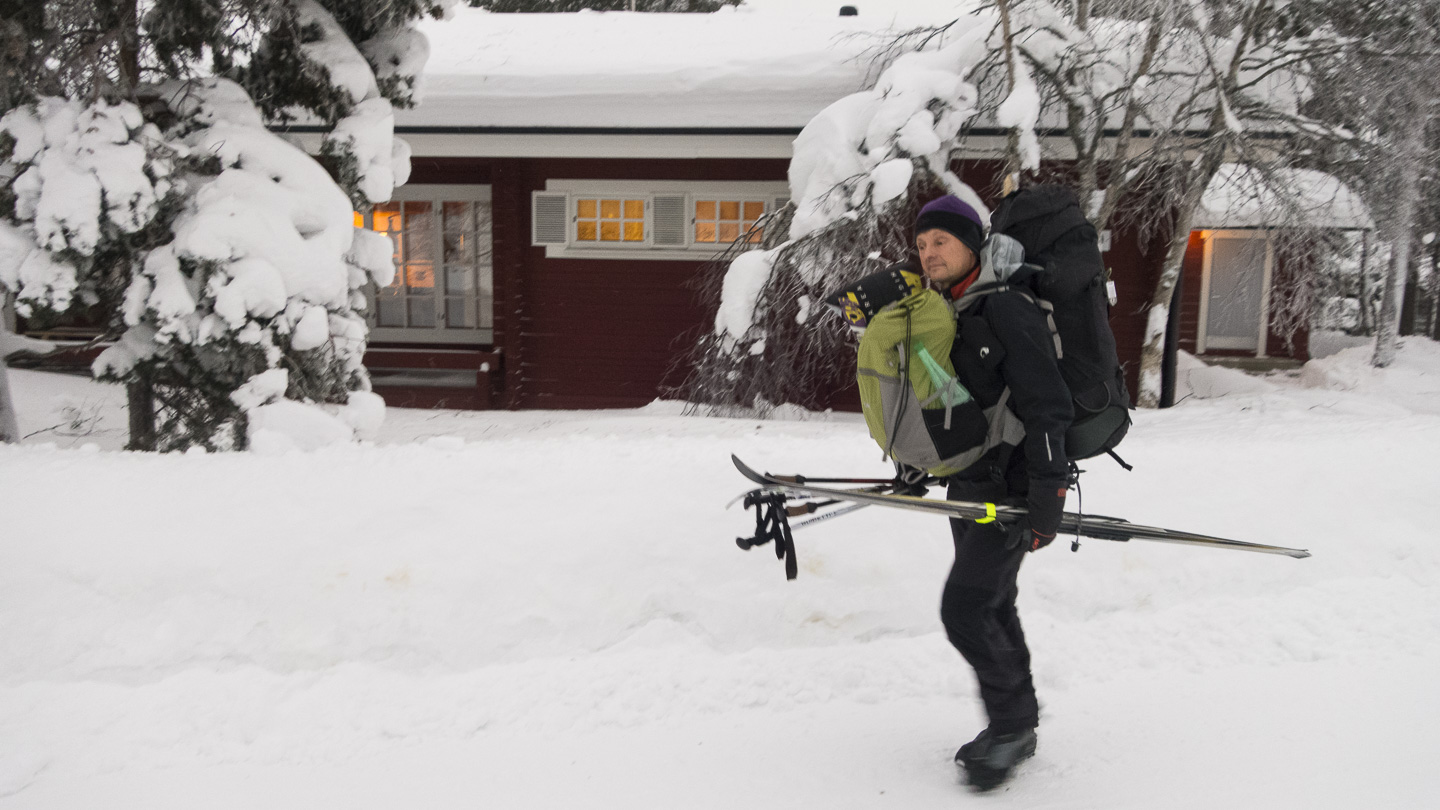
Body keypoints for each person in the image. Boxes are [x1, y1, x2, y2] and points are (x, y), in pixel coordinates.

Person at [912, 194, 1073, 790]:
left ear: (971, 245)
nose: (929, 254)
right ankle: (1018, 722)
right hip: (972, 482)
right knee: (992, 602)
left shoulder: (1007, 308)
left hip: (1012, 488)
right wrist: (920, 466)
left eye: (942, 242)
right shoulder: (949, 310)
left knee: (966, 608)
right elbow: (961, 405)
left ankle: (1009, 728)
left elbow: (1046, 404)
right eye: (923, 244)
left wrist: (1048, 495)